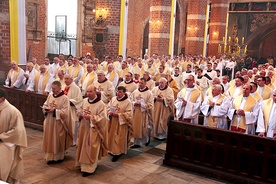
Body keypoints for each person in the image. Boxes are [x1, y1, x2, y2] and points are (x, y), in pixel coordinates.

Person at [75, 85, 108, 177]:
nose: (88, 94)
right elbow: (81, 109)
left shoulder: (101, 104)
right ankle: (81, 164)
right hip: (83, 127)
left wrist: (91, 118)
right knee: (81, 146)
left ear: (95, 92)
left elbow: (103, 119)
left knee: (90, 148)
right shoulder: (85, 101)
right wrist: (80, 115)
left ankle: (89, 168)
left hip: (93, 129)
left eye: (90, 92)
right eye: (87, 92)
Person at [0, 88, 27, 183]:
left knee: (2, 165)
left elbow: (18, 130)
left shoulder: (13, 111)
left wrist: (1, 137)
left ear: (2, 99)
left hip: (7, 142)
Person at [41, 81, 72, 164]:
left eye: (54, 88)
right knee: (49, 139)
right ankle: (49, 156)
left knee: (56, 139)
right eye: (52, 88)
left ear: (59, 88)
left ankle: (58, 157)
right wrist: (45, 109)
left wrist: (55, 111)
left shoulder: (65, 98)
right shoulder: (50, 96)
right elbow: (45, 105)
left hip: (58, 123)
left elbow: (65, 112)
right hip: (49, 121)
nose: (53, 90)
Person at [107, 86, 133, 162]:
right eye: (117, 91)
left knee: (118, 138)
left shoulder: (128, 102)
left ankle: (118, 153)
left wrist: (118, 115)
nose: (118, 93)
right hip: (112, 122)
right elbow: (108, 107)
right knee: (112, 136)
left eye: (120, 92)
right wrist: (110, 112)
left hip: (121, 124)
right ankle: (111, 150)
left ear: (124, 93)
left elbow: (129, 114)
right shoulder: (113, 99)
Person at [130, 78, 154, 148]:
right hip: (135, 113)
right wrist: (134, 103)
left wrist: (141, 105)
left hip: (144, 114)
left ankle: (147, 140)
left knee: (144, 128)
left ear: (145, 84)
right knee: (136, 128)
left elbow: (150, 105)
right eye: (139, 83)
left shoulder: (149, 93)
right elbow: (131, 100)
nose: (140, 84)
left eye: (142, 83)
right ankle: (136, 143)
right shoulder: (135, 92)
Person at [64, 75, 83, 146]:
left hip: (73, 110)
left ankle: (74, 141)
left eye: (67, 78)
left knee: (74, 126)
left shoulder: (76, 88)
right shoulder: (65, 87)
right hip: (66, 109)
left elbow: (79, 100)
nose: (65, 80)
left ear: (71, 79)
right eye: (65, 79)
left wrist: (69, 101)